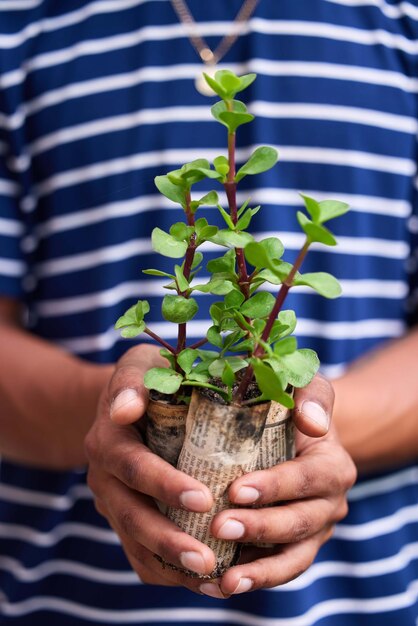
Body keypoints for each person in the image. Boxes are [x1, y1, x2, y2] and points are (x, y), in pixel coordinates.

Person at [0, 0, 416, 624]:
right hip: (68, 600)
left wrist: (305, 435)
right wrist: (117, 416)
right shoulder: (18, 32)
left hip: (365, 601)